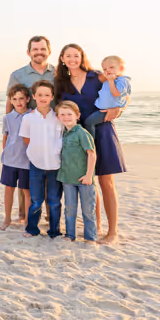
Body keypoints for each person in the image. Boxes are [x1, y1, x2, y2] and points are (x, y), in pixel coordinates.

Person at [54, 44, 127, 245]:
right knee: (89, 182)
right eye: (68, 56)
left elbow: (121, 90)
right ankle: (97, 225)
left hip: (102, 131)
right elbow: (58, 109)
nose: (72, 59)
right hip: (78, 136)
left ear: (81, 57)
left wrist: (121, 108)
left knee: (107, 183)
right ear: (62, 59)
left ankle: (112, 232)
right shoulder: (61, 83)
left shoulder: (96, 76)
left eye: (76, 55)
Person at [5, 36, 56, 221]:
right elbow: (10, 102)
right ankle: (23, 214)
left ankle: (51, 215)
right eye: (35, 49)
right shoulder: (18, 75)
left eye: (43, 49)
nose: (39, 52)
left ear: (49, 51)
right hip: (26, 128)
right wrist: (9, 130)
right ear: (29, 52)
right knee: (25, 169)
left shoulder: (58, 73)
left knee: (50, 170)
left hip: (52, 128)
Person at [21, 80, 63, 239]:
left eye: (47, 95)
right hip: (36, 164)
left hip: (55, 165)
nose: (43, 98)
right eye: (40, 95)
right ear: (34, 97)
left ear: (52, 97)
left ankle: (54, 231)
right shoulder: (28, 118)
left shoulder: (59, 117)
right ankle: (32, 229)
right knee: (36, 200)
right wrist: (35, 152)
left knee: (54, 201)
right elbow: (26, 139)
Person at [56, 101, 97, 243]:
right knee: (70, 209)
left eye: (69, 114)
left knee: (87, 211)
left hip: (84, 179)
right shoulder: (63, 133)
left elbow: (91, 154)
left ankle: (90, 238)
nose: (66, 117)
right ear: (58, 117)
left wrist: (88, 176)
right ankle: (70, 235)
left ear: (77, 116)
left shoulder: (82, 133)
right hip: (67, 178)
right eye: (62, 114)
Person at [0, 84, 32, 231]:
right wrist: (6, 152)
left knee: (27, 191)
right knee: (9, 189)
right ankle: (7, 218)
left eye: (21, 98)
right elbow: (5, 137)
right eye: (15, 99)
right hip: (10, 160)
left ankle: (27, 220)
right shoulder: (8, 118)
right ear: (10, 101)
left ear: (27, 99)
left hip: (27, 160)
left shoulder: (33, 116)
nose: (18, 102)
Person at [85, 55, 131, 138]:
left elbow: (116, 94)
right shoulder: (109, 80)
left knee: (89, 122)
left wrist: (111, 81)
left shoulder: (122, 81)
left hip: (108, 111)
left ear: (121, 68)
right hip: (102, 109)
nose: (108, 70)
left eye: (111, 67)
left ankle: (90, 144)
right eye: (105, 69)